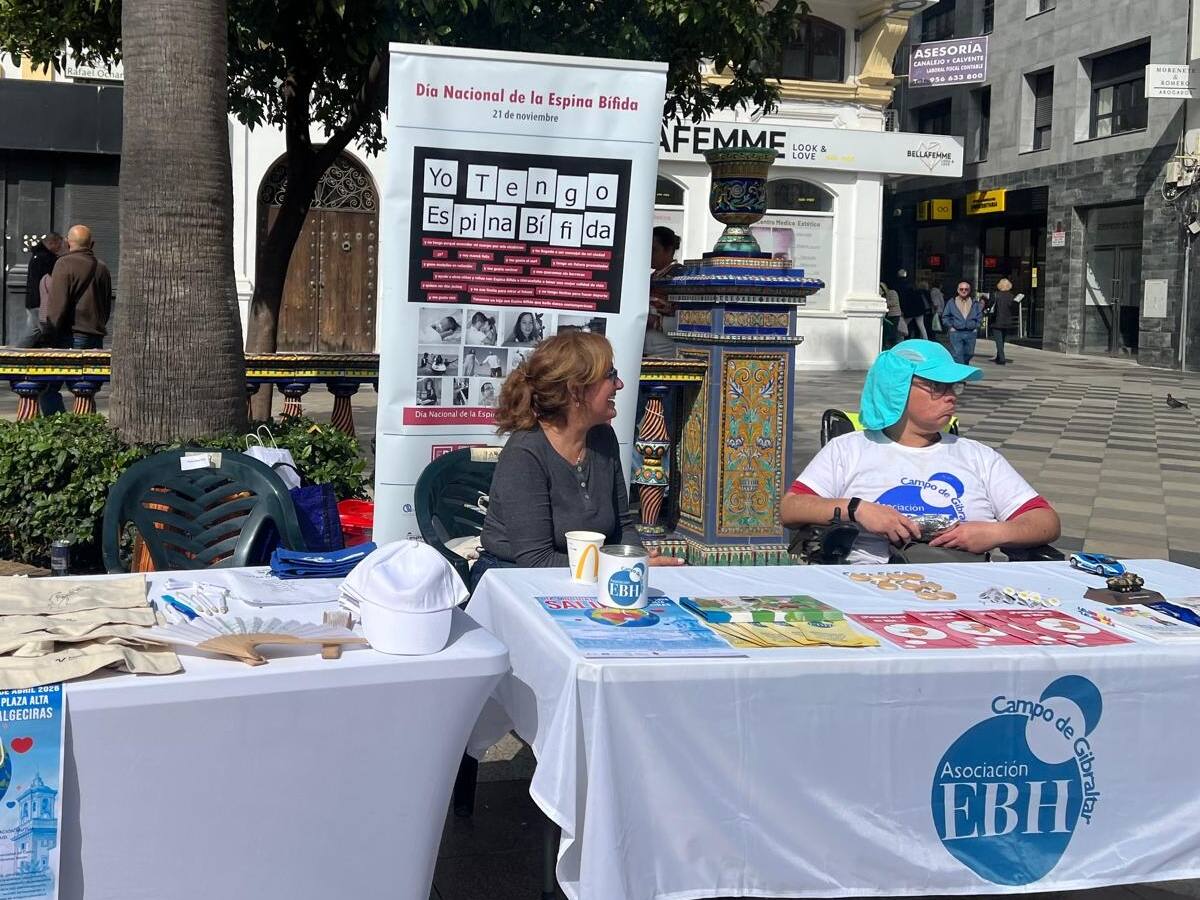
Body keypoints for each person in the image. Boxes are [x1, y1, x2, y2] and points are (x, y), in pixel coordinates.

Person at [779, 340, 1060, 564]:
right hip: (871, 584)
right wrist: (857, 509)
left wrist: (996, 532)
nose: (951, 396)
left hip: (963, 586)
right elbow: (791, 508)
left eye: (953, 387)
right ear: (897, 388)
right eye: (937, 387)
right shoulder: (848, 449)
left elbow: (1045, 521)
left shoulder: (978, 456)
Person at [475, 330, 684, 588]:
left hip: (587, 577)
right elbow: (536, 560)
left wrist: (637, 561)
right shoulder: (525, 453)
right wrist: (618, 566)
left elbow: (622, 526)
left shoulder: (603, 439)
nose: (619, 385)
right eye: (610, 376)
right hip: (512, 579)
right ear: (576, 391)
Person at [645, 225, 683, 358]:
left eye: (654, 250)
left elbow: (683, 318)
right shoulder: (651, 277)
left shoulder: (680, 277)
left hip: (666, 350)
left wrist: (655, 321)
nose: (648, 254)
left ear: (669, 250)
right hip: (647, 347)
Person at [19, 233, 63, 348]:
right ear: (51, 243)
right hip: (40, 302)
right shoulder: (46, 259)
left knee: (34, 331)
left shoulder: (37, 256)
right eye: (59, 245)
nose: (60, 248)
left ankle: (18, 352)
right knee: (45, 333)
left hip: (33, 301)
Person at [942, 280, 984, 365]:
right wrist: (951, 327)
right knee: (957, 354)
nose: (964, 291)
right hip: (956, 332)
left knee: (969, 353)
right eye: (961, 289)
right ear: (958, 290)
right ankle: (960, 372)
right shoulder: (951, 302)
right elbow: (945, 317)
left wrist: (976, 326)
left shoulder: (974, 303)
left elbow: (979, 316)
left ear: (969, 290)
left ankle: (963, 366)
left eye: (966, 289)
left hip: (970, 332)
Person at [988, 278, 1018, 365]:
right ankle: (999, 356)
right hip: (1007, 321)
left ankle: (1001, 358)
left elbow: (990, 305)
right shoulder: (1011, 296)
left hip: (996, 320)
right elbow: (1014, 309)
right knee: (1002, 340)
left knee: (998, 341)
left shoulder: (996, 295)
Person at [896, 270, 927, 340]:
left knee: (903, 325)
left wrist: (902, 309)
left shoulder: (900, 286)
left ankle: (900, 339)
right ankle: (926, 340)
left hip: (910, 310)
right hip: (918, 310)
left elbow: (903, 299)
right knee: (921, 326)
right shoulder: (912, 286)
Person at [882, 281, 902, 348]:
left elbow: (894, 302)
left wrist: (884, 303)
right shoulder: (885, 294)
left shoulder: (892, 292)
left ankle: (893, 344)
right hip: (889, 314)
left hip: (894, 314)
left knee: (893, 330)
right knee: (890, 330)